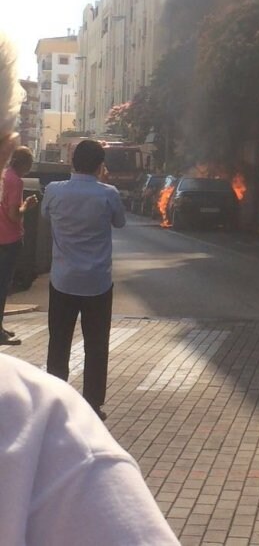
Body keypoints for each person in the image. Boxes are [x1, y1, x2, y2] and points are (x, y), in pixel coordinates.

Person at [0, 351, 181, 545]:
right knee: (66, 341)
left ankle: (94, 399)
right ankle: (76, 388)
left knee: (94, 345)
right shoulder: (42, 414)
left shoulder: (49, 421)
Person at [41, 139, 126, 420]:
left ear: (72, 161)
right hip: (97, 283)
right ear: (101, 165)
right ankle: (92, 404)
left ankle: (55, 400)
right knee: (97, 343)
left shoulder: (54, 191)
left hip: (63, 280)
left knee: (59, 340)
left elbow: (44, 215)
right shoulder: (108, 193)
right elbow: (120, 222)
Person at [0, 146, 38, 346]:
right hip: (9, 239)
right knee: (3, 285)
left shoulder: (3, 176)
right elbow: (15, 214)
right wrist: (27, 206)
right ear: (25, 164)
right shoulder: (16, 181)